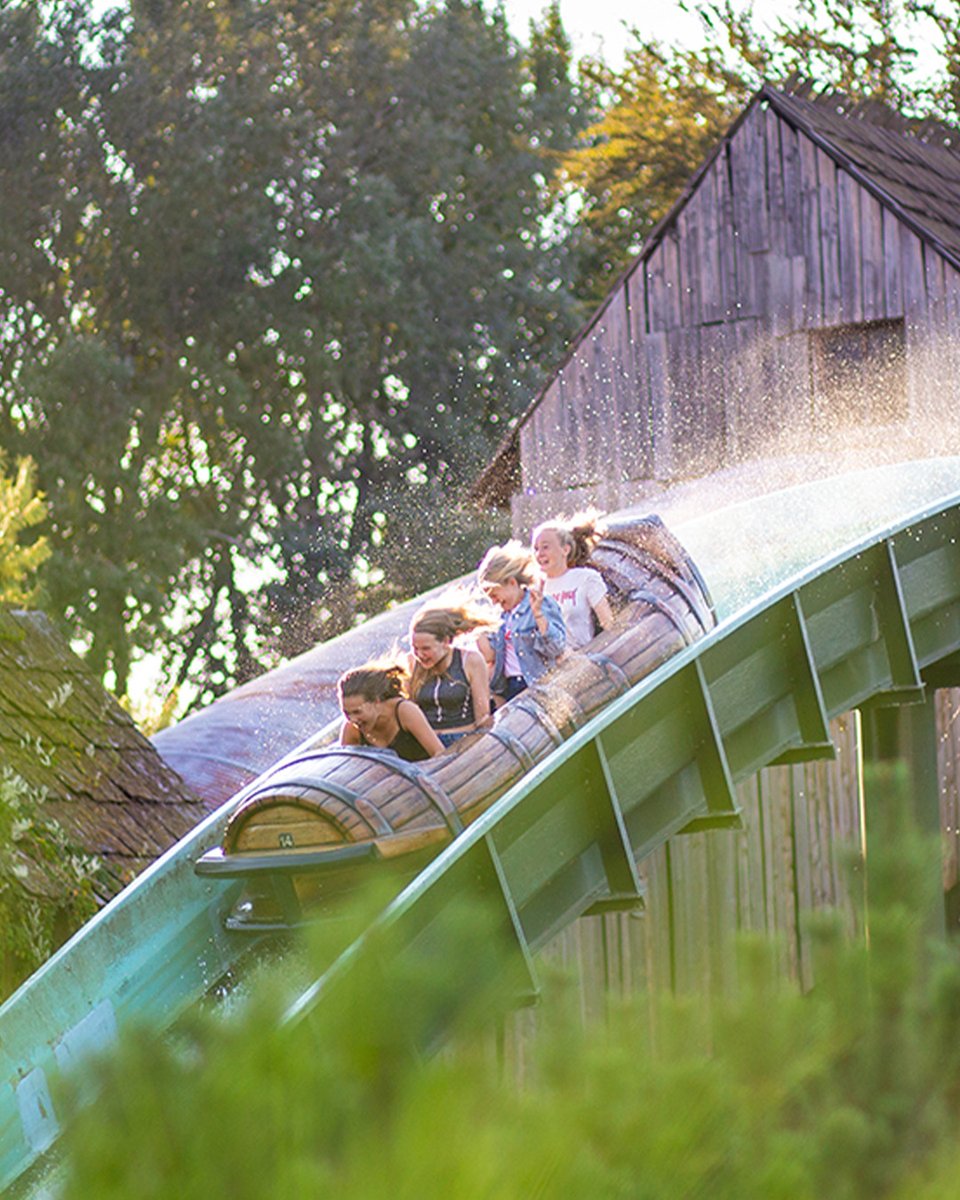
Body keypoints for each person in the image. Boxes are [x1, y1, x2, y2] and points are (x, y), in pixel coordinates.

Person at [476, 541, 566, 703]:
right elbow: (490, 655)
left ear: (511, 582)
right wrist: (476, 627)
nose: (494, 602)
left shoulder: (540, 603)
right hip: (511, 687)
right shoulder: (501, 617)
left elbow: (556, 648)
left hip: (538, 681)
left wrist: (538, 615)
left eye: (495, 595)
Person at [408, 599, 495, 747]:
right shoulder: (411, 663)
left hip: (463, 740)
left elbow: (482, 715)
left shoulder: (471, 660)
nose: (420, 654)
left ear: (446, 641)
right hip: (428, 744)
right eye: (415, 648)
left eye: (426, 649)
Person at [532, 510, 614, 650]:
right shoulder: (535, 588)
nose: (540, 554)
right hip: (551, 664)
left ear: (565, 550)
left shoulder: (585, 578)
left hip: (582, 658)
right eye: (536, 549)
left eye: (545, 547)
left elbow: (608, 624)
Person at [338, 661, 443, 761]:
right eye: (346, 713)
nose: (352, 719)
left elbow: (439, 753)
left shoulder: (405, 711)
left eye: (357, 712)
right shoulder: (351, 728)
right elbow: (344, 766)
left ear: (376, 701)